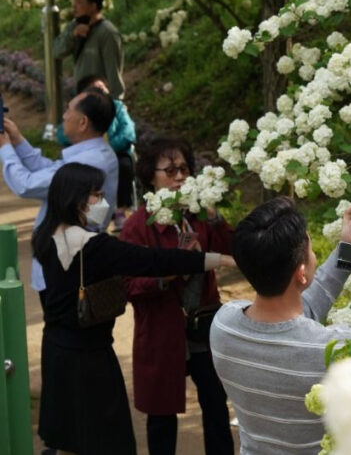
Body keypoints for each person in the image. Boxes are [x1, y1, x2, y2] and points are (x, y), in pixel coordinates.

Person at [32, 162, 235, 455]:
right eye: (96, 195)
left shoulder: (46, 236)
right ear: (75, 198)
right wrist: (215, 260)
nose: (103, 202)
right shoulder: (93, 245)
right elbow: (153, 261)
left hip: (56, 350)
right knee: (103, 438)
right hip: (90, 357)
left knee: (70, 439)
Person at [210, 197, 351, 455]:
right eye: (311, 251)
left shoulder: (223, 325)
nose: (314, 255)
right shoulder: (331, 348)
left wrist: (347, 247)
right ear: (301, 272)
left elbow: (302, 308)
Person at [119, 136, 234, 455]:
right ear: (150, 176)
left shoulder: (198, 214)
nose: (180, 177)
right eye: (169, 171)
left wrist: (214, 216)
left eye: (184, 169)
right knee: (161, 418)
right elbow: (129, 285)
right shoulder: (137, 225)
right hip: (161, 330)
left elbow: (229, 251)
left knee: (216, 408)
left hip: (203, 325)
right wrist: (169, 272)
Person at [0, 87, 119, 307]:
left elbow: (27, 185)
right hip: (72, 265)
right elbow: (48, 172)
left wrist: (5, 148)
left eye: (68, 109)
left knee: (64, 334)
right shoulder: (96, 154)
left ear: (83, 122)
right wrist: (17, 142)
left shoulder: (89, 161)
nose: (63, 115)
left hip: (68, 270)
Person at [58, 74, 136, 231]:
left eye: (102, 88)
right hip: (89, 155)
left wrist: (107, 149)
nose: (101, 92)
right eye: (94, 90)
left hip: (116, 151)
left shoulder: (117, 107)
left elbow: (128, 133)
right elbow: (62, 134)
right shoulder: (78, 112)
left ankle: (117, 212)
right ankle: (93, 222)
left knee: (124, 166)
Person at [54, 0, 125, 99]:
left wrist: (114, 106)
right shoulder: (74, 26)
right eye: (74, 2)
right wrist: (73, 36)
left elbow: (114, 75)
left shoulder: (107, 33)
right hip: (82, 99)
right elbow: (57, 51)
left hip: (100, 101)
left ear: (93, 6)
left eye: (79, 2)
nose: (74, 6)